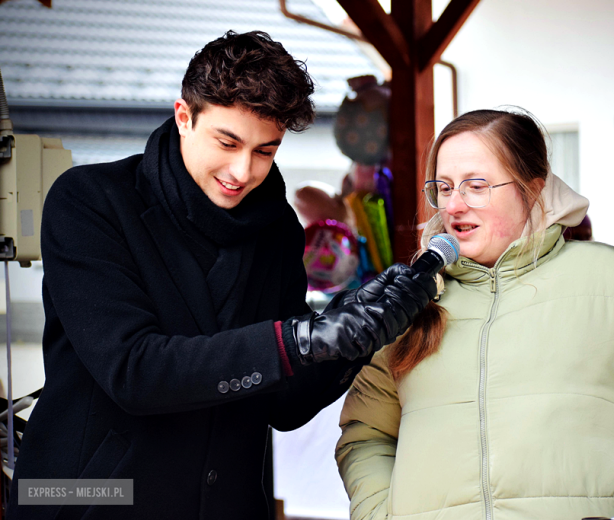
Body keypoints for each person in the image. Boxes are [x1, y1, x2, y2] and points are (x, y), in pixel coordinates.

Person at [8, 31, 435, 519]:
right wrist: (303, 339)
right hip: (93, 500)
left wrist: (354, 335)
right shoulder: (91, 201)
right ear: (184, 116)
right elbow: (134, 370)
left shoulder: (275, 230)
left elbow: (285, 407)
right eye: (227, 142)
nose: (242, 170)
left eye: (264, 151)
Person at [336, 109, 614, 520]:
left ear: (532, 187)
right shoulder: (410, 303)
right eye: (444, 187)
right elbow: (367, 435)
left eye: (476, 186)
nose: (454, 205)